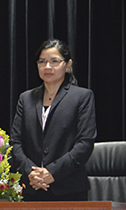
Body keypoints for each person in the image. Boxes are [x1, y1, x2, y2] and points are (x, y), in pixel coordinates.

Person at [10, 38, 97, 201]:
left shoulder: (82, 97)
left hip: (69, 189)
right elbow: (15, 142)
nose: (47, 67)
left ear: (68, 65)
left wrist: (52, 172)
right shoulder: (26, 98)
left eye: (54, 61)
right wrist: (31, 172)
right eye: (42, 61)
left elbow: (85, 143)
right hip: (31, 188)